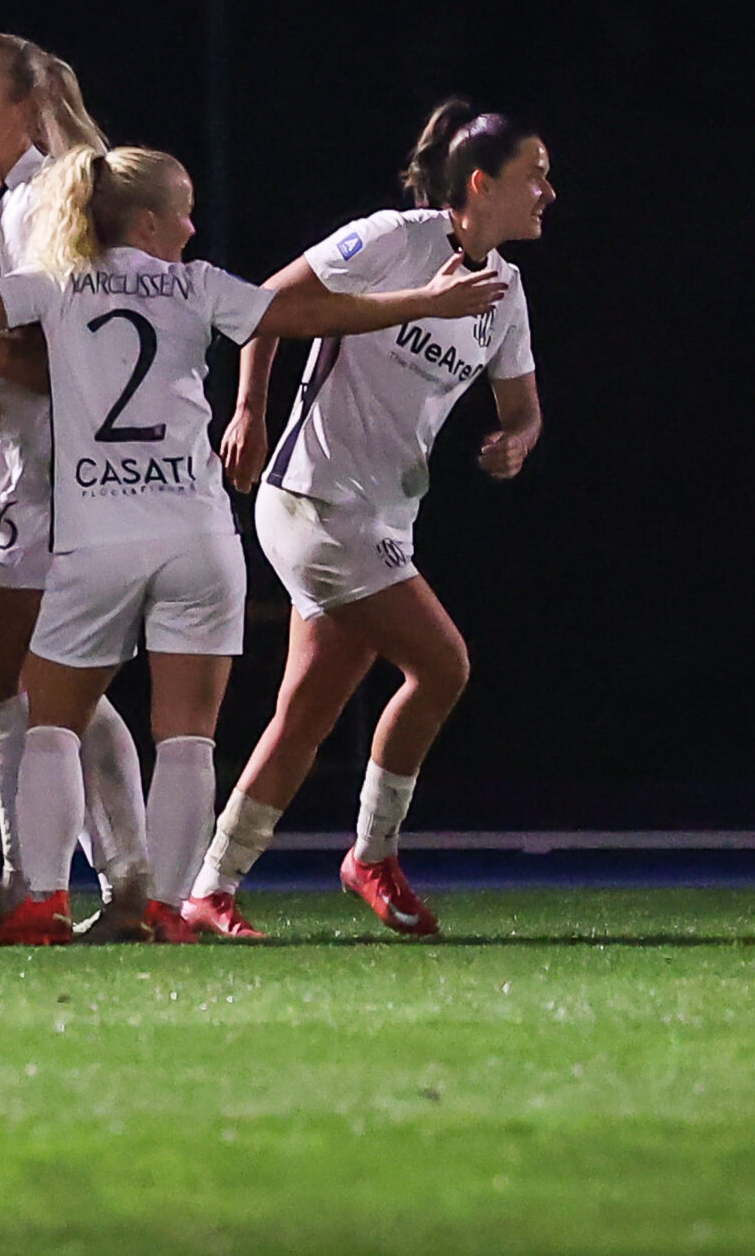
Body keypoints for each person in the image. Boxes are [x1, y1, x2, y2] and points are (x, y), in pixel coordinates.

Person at [0, 144, 506, 943]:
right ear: (148, 220)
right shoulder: (197, 286)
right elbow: (309, 314)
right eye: (185, 209)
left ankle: (41, 901)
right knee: (188, 734)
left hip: (99, 533)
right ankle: (168, 907)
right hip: (197, 534)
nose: (194, 224)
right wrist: (420, 301)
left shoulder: (60, 284)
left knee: (54, 723)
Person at [189, 101, 550, 940]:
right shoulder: (396, 238)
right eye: (535, 174)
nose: (548, 191)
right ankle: (372, 853)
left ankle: (211, 886)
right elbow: (264, 306)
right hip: (313, 500)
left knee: (307, 714)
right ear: (481, 184)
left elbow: (524, 407)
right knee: (444, 663)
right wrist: (249, 407)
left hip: (381, 518)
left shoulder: (506, 292)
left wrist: (517, 440)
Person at [0, 34, 153, 942]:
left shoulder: (39, 198)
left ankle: (43, 881)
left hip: (60, 476)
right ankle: (120, 882)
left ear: (24, 104)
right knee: (54, 684)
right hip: (26, 470)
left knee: (3, 670)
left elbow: (50, 361)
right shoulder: (10, 199)